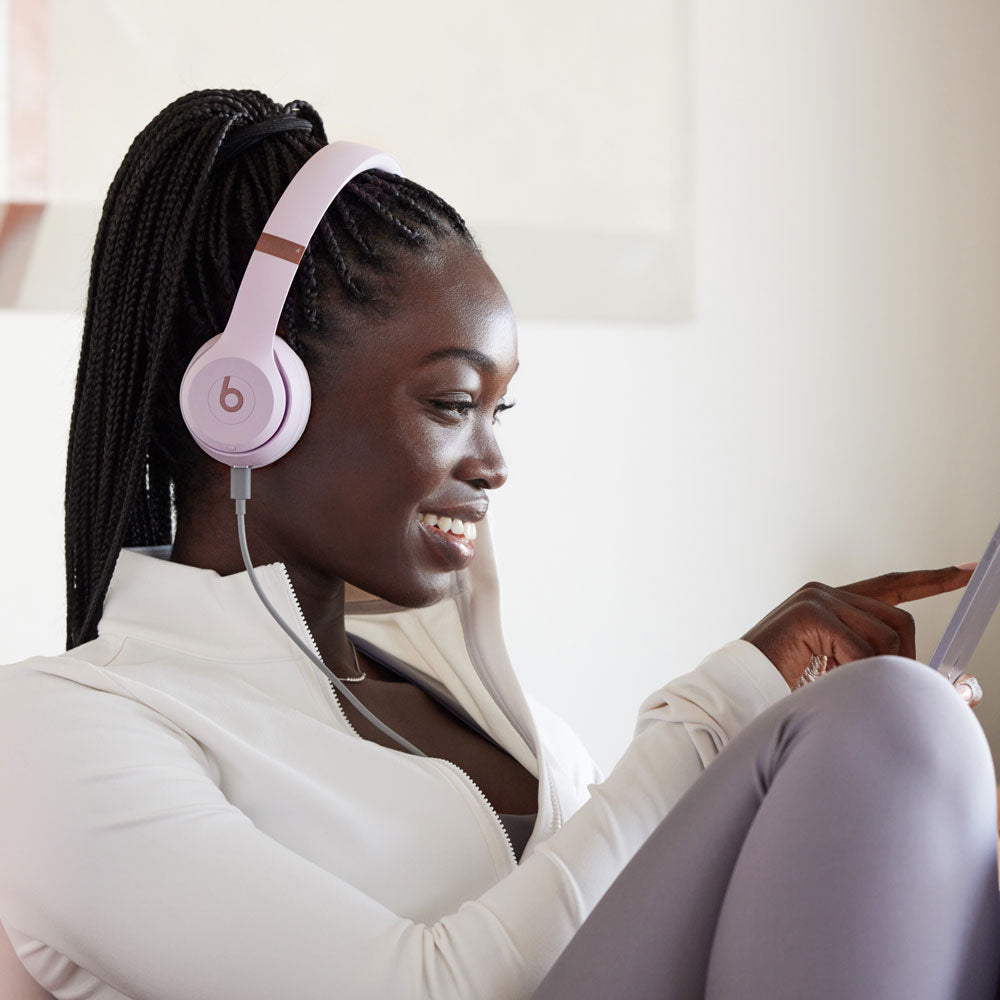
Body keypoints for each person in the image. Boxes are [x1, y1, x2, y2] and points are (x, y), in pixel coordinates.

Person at [0, 87, 997, 1000]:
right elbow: (420, 992)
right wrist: (712, 710)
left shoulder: (482, 704)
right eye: (450, 402)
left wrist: (842, 779)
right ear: (245, 404)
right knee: (884, 716)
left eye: (499, 410)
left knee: (895, 742)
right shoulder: (62, 732)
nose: (493, 461)